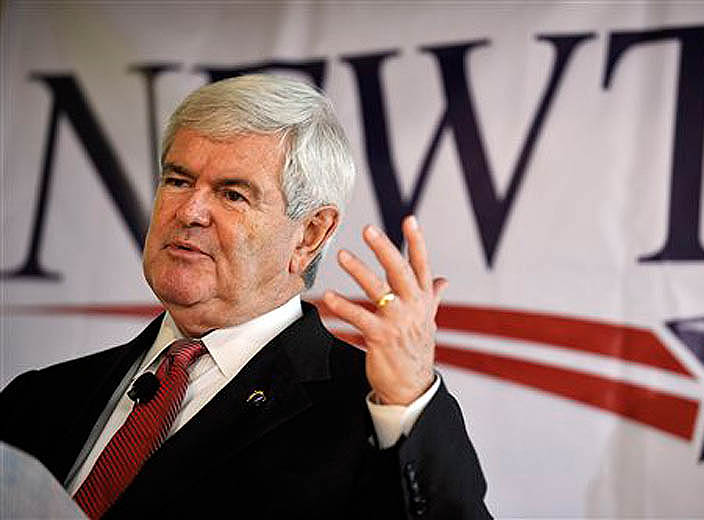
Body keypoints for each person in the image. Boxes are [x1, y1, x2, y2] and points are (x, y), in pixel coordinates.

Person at [0, 74, 490, 519]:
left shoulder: (368, 414)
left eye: (232, 194)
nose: (189, 211)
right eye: (178, 180)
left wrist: (407, 404)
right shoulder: (40, 397)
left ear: (310, 235)